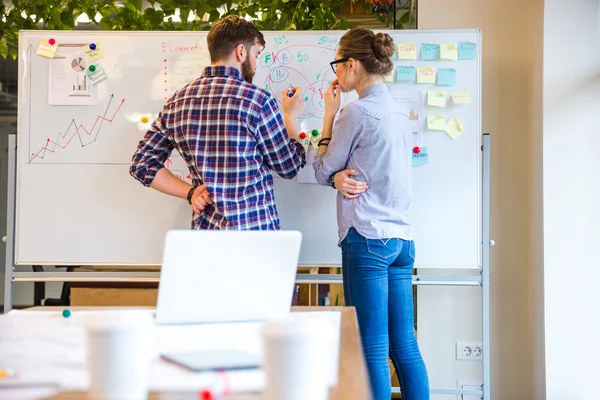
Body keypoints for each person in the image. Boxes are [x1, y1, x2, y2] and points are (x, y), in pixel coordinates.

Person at [313, 28, 430, 400]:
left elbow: (321, 169)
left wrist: (329, 115)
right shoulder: (399, 110)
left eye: (337, 65)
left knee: (372, 351)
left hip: (367, 240)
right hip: (401, 241)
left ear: (351, 65)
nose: (336, 75)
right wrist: (338, 178)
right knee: (405, 347)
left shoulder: (355, 112)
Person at [130, 15, 306, 230]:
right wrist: (291, 116)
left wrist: (191, 191)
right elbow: (288, 166)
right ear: (241, 51)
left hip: (207, 235)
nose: (256, 63)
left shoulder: (177, 102)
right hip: (255, 234)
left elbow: (142, 165)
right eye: (256, 54)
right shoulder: (257, 100)